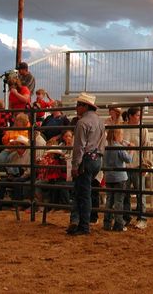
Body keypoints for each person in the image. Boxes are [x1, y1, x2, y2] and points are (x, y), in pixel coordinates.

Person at [67, 93, 105, 236]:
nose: (76, 108)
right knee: (82, 191)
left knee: (83, 193)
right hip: (97, 159)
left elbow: (79, 147)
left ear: (84, 106)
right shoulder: (100, 122)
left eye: (78, 105)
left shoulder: (82, 123)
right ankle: (76, 220)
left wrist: (75, 165)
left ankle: (84, 226)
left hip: (86, 160)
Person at [123, 106, 152, 230]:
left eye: (140, 115)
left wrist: (145, 164)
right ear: (130, 116)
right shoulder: (123, 128)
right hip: (124, 166)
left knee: (140, 193)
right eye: (137, 115)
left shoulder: (143, 128)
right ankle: (126, 216)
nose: (139, 117)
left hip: (137, 165)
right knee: (125, 194)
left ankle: (142, 218)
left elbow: (147, 146)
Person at [103, 121, 133, 232]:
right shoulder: (119, 147)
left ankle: (107, 223)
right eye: (121, 135)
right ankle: (118, 224)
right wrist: (131, 150)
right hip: (120, 177)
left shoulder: (106, 147)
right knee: (118, 201)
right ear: (117, 135)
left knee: (109, 201)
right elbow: (128, 159)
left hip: (109, 177)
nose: (122, 137)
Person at [0, 136, 31, 210]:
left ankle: (18, 205)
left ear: (24, 146)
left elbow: (29, 171)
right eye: (16, 145)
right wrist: (11, 174)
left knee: (17, 181)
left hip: (25, 176)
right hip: (16, 175)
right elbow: (9, 167)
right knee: (2, 181)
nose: (17, 147)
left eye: (19, 145)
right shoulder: (13, 155)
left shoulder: (29, 155)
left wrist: (21, 176)